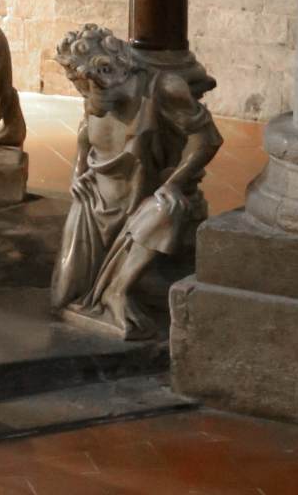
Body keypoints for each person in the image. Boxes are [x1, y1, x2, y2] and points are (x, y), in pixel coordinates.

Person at [51, 25, 221, 340]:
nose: (84, 95)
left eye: (85, 86)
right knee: (62, 296)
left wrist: (173, 183)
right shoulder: (97, 95)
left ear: (106, 72)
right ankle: (100, 293)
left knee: (167, 209)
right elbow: (86, 128)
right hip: (95, 201)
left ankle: (117, 291)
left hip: (140, 203)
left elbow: (207, 139)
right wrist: (79, 170)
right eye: (78, 87)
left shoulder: (163, 89)